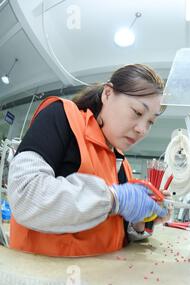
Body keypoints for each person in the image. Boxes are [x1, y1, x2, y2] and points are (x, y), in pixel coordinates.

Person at [7, 64, 172, 257]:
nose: (142, 130)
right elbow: (25, 195)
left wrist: (140, 221)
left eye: (150, 122)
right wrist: (112, 199)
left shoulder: (122, 164)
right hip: (44, 280)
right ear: (108, 94)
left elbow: (114, 231)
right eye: (137, 112)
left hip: (100, 281)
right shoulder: (61, 116)